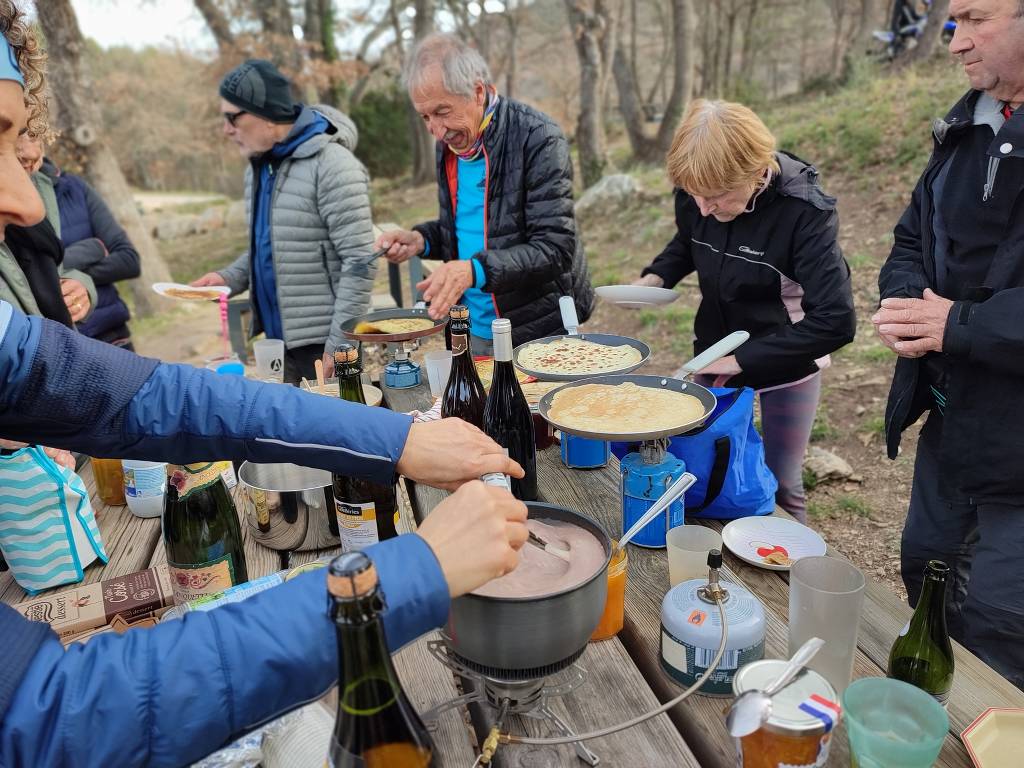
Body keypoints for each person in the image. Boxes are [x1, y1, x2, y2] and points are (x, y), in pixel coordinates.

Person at [0, 16, 528, 766]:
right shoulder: (264, 170)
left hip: (326, 343)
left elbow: (159, 402)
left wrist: (397, 438)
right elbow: (51, 718)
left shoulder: (324, 163)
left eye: (16, 139)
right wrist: (413, 573)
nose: (26, 201)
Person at [872, 0, 1024, 687]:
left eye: (976, 18)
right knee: (924, 569)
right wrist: (907, 309)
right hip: (952, 426)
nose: (954, 41)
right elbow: (912, 238)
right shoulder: (967, 126)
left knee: (998, 623)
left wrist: (956, 325)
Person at [634, 99, 856, 522]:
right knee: (706, 464)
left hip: (786, 363)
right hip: (713, 354)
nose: (702, 208)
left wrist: (743, 360)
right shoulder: (699, 188)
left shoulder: (804, 212)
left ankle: (788, 572)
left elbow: (837, 321)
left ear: (757, 173)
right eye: (693, 195)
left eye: (715, 197)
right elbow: (688, 238)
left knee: (781, 481)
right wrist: (657, 277)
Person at [375, 34, 594, 355]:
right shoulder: (450, 147)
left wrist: (473, 271)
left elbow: (555, 248)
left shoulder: (538, 138)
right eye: (425, 116)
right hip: (472, 325)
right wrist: (421, 239)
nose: (436, 130)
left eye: (442, 111)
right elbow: (467, 228)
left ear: (477, 92)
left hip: (535, 328)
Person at [191, 59, 376, 383]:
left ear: (268, 115)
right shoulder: (259, 166)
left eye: (232, 117)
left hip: (325, 347)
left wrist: (340, 345)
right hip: (276, 344)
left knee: (335, 433)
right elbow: (272, 245)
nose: (226, 129)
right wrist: (227, 277)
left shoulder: (333, 165)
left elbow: (361, 261)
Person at [17, 131, 141, 349]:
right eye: (17, 137)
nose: (30, 151)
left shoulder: (74, 188)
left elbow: (129, 260)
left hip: (112, 336)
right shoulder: (11, 204)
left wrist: (72, 278)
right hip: (59, 347)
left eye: (34, 136)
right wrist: (91, 250)